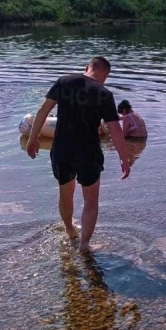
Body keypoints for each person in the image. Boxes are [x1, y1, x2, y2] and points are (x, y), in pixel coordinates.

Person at [26, 56, 130, 252]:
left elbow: (43, 111)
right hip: (88, 150)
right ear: (105, 75)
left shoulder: (64, 81)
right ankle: (84, 245)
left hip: (62, 148)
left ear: (86, 68)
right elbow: (115, 129)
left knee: (66, 194)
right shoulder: (104, 93)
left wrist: (32, 139)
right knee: (91, 201)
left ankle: (70, 230)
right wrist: (124, 159)